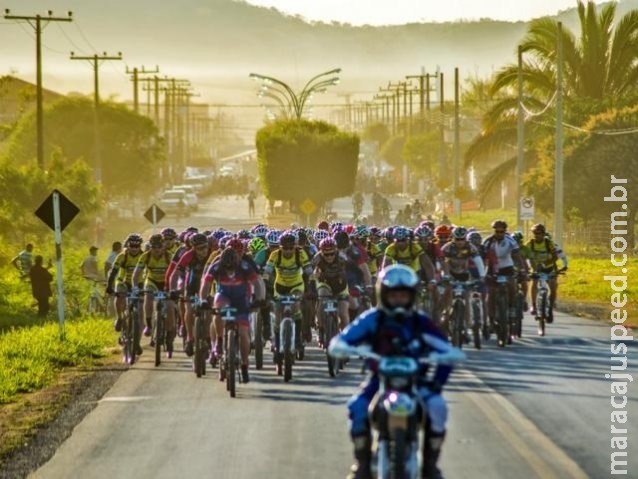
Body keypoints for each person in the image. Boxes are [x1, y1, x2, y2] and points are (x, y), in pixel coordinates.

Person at [329, 264, 461, 479]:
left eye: (404, 295)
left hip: (417, 382)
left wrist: (438, 380)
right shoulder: (373, 318)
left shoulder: (421, 322)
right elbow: (344, 338)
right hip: (379, 381)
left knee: (438, 407)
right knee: (357, 407)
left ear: (412, 296)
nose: (399, 300)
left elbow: (444, 349)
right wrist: (341, 345)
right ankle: (362, 463)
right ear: (383, 294)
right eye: (394, 295)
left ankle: (430, 464)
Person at [200, 244, 265, 383]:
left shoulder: (244, 266)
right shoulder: (216, 266)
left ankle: (245, 364)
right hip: (224, 296)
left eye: (232, 268)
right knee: (218, 310)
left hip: (241, 299)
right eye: (227, 268)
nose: (229, 271)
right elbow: (205, 284)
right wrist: (203, 300)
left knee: (243, 333)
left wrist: (259, 300)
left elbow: (257, 284)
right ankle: (219, 340)